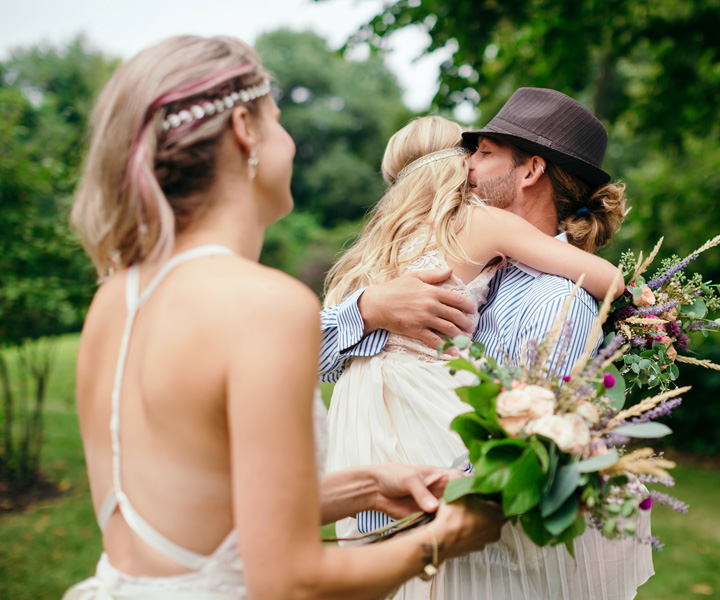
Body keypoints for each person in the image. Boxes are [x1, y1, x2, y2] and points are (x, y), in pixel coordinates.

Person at [64, 35, 502, 600]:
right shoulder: (266, 307)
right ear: (245, 128)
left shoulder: (115, 299)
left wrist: (367, 486)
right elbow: (291, 583)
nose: (290, 141)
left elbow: (188, 504)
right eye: (278, 119)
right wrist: (445, 537)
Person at [319, 89, 654, 599]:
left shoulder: (552, 303)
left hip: (465, 547)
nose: (465, 163)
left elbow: (524, 450)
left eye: (482, 151)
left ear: (529, 171)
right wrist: (368, 310)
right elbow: (318, 358)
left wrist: (434, 516)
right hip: (375, 456)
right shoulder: (452, 250)